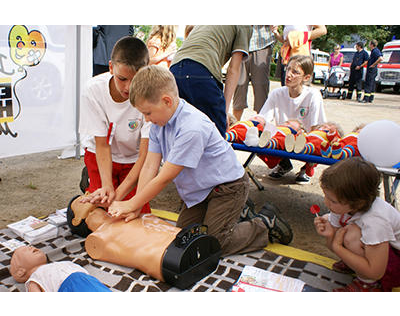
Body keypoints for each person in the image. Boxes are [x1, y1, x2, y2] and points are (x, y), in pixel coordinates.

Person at [105, 65, 293, 256]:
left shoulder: (191, 127)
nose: (146, 119)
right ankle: (235, 215)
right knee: (183, 239)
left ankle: (264, 224)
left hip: (227, 188)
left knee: (212, 245)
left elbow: (164, 177)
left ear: (167, 101)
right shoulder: (158, 124)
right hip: (199, 192)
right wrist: (136, 205)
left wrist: (131, 203)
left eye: (147, 113)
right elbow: (149, 167)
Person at [79, 36, 151, 214]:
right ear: (111, 67)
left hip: (133, 160)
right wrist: (107, 186)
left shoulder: (152, 92)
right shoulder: (92, 90)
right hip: (100, 155)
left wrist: (118, 196)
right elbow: (101, 144)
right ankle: (89, 177)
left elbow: (145, 155)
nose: (128, 87)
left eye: (135, 80)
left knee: (133, 213)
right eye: (122, 79)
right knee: (101, 210)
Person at [314, 157, 400, 292]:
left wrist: (338, 247)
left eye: (333, 201)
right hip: (381, 256)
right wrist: (330, 235)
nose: (326, 202)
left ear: (357, 203)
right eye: (325, 196)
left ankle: (369, 285)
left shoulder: (376, 221)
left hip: (392, 266)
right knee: (336, 225)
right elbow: (333, 243)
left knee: (351, 235)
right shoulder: (344, 206)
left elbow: (375, 271)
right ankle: (356, 264)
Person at [170, 25, 253, 136]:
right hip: (201, 71)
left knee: (179, 133)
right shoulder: (245, 27)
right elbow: (233, 69)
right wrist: (224, 111)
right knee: (216, 136)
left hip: (174, 69)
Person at [258, 55, 327, 184]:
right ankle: (284, 164)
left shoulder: (313, 95)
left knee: (319, 140)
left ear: (306, 77)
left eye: (295, 72)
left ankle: (307, 168)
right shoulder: (277, 93)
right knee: (258, 134)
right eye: (288, 69)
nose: (288, 74)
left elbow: (316, 128)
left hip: (304, 139)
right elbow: (263, 118)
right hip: (283, 137)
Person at [9, 245, 110, 292]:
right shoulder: (34, 279)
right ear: (20, 272)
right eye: (25, 250)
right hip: (68, 286)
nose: (30, 247)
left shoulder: (55, 265)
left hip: (88, 280)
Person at [232, 25, 276, 121]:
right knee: (239, 86)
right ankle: (235, 127)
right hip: (240, 43)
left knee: (261, 87)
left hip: (261, 45)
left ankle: (260, 128)